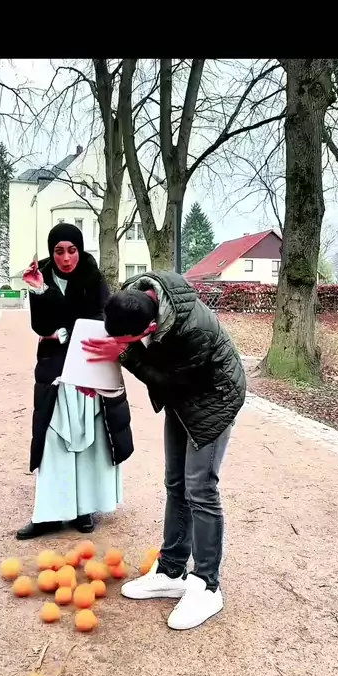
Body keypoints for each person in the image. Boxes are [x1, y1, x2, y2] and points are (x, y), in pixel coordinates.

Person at [82, 270, 246, 630]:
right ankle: (172, 570)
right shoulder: (132, 299)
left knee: (200, 489)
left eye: (131, 340)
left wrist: (127, 355)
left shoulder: (195, 330)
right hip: (182, 395)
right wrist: (97, 378)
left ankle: (207, 585)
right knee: (176, 484)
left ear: (151, 327)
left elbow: (169, 382)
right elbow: (121, 348)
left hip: (214, 399)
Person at [16, 223, 133, 540]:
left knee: (89, 436)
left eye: (72, 250)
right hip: (54, 371)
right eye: (58, 251)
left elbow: (99, 320)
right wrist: (39, 291)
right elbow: (41, 326)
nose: (66, 258)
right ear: (51, 252)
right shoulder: (40, 277)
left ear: (80, 250)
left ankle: (84, 509)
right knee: (54, 439)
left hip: (86, 369)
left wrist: (65, 331)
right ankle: (49, 514)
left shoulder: (93, 276)